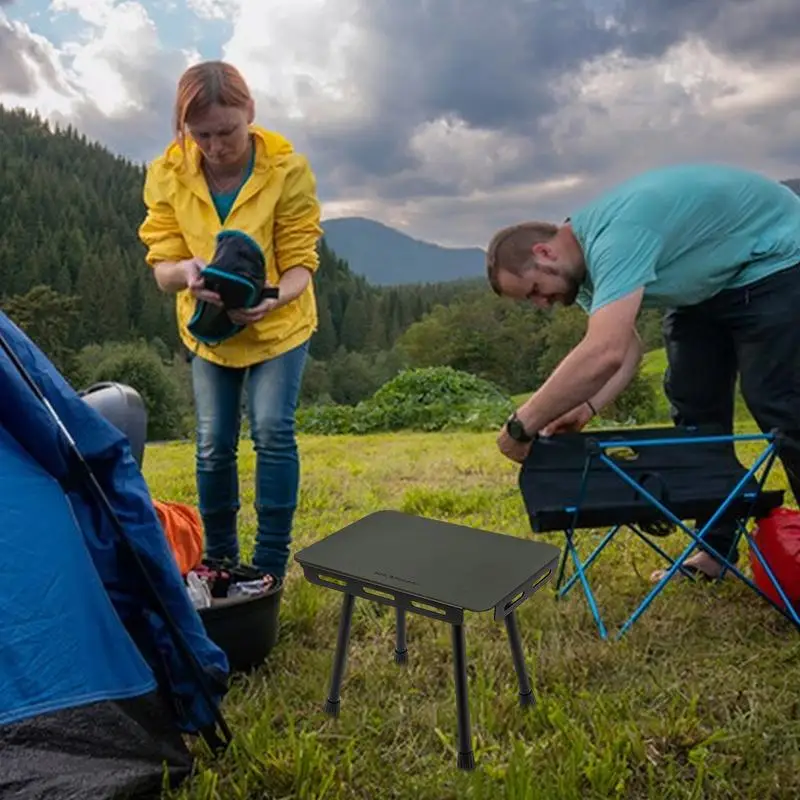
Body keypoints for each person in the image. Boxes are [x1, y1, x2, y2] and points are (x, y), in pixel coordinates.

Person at [486, 162, 800, 581]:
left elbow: (605, 351)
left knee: (780, 407)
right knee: (694, 414)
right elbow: (627, 346)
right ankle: (715, 552)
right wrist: (589, 406)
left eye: (535, 292)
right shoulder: (585, 273)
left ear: (544, 253)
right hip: (706, 287)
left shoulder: (616, 236)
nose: (541, 304)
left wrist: (522, 424)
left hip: (775, 261)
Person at [137, 60, 323, 582]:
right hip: (211, 333)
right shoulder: (168, 175)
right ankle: (218, 560)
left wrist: (272, 298)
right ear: (185, 130)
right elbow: (162, 265)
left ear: (250, 113)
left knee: (271, 430)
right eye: (202, 135)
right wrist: (186, 273)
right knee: (214, 441)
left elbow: (300, 264)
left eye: (227, 132)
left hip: (277, 326)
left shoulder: (288, 171)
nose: (216, 147)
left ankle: (267, 566)